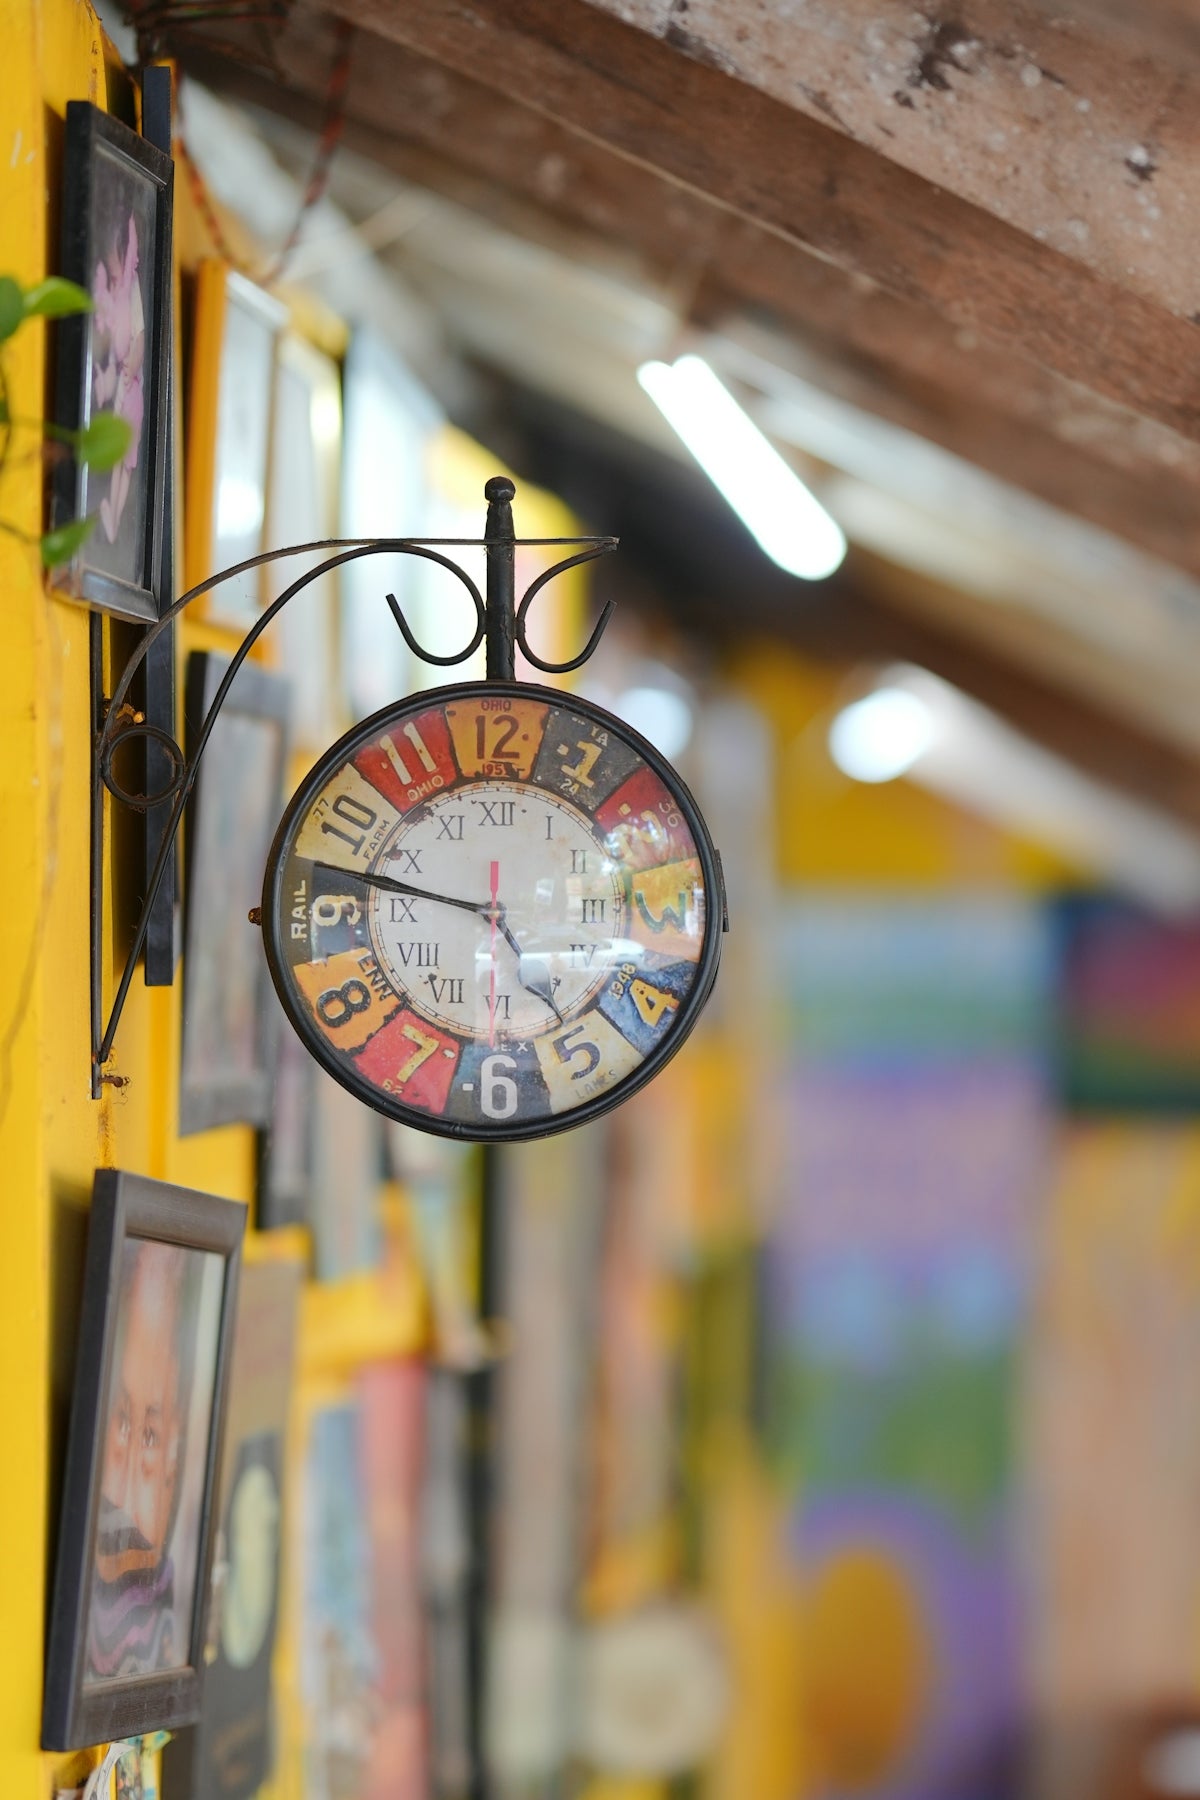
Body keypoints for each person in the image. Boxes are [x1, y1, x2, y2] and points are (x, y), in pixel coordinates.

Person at [86, 1241, 192, 1683]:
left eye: (149, 1436)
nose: (125, 1487)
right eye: (122, 1422)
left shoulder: (167, 1629)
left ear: (174, 1458)